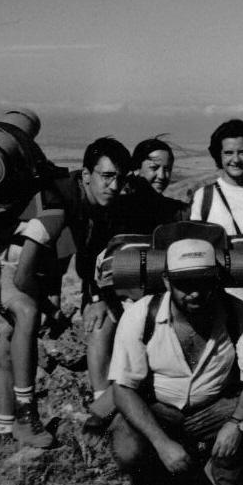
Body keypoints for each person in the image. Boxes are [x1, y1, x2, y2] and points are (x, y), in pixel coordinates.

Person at [107, 233, 243, 485]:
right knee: (127, 446)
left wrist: (236, 423)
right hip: (159, 410)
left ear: (216, 280)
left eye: (203, 282)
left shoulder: (238, 312)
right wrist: (161, 442)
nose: (195, 293)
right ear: (166, 281)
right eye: (184, 284)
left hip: (215, 407)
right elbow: (123, 388)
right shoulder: (140, 315)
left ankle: (223, 473)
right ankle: (153, 482)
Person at [54, 138, 162, 426]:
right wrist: (96, 298)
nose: (113, 186)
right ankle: (102, 401)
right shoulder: (95, 209)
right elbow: (85, 260)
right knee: (100, 325)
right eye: (107, 176)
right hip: (109, 293)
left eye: (119, 178)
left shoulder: (151, 206)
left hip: (149, 295)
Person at [0, 176, 67, 447]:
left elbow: (59, 258)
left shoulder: (51, 200)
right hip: (0, 265)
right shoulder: (55, 198)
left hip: (6, 264)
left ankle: (4, 428)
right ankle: (25, 415)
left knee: (8, 340)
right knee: (26, 313)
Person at [191, 119, 243, 245]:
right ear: (219, 155)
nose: (236, 160)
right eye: (228, 153)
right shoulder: (204, 196)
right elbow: (197, 245)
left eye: (242, 152)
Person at [130, 136, 189, 223]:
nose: (161, 176)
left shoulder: (178, 211)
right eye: (154, 168)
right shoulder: (119, 209)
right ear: (136, 169)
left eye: (167, 169)